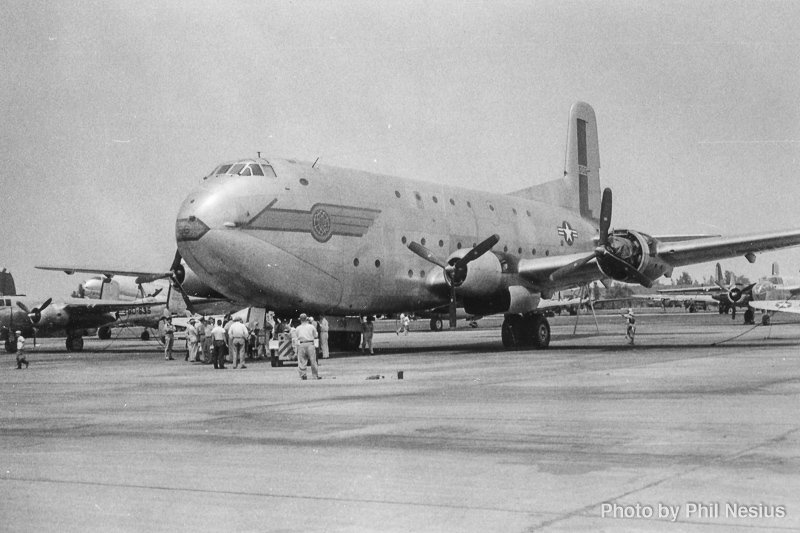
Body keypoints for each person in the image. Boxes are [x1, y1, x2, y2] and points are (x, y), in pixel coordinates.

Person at [295, 313, 320, 380]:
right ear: (307, 319)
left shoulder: (297, 328)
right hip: (310, 344)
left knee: (302, 361)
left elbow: (296, 337)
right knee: (313, 360)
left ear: (300, 320)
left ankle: (303, 375)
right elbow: (316, 335)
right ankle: (315, 375)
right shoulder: (311, 327)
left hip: (301, 344)